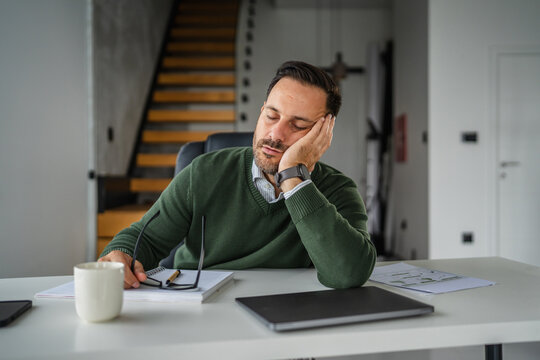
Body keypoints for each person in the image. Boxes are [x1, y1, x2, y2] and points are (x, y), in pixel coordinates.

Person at [98, 60, 376, 289]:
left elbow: (348, 274)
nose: (275, 134)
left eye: (298, 124)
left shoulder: (338, 190)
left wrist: (294, 179)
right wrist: (119, 254)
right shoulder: (204, 172)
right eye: (271, 115)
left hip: (286, 314)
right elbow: (145, 238)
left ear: (322, 135)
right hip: (201, 311)